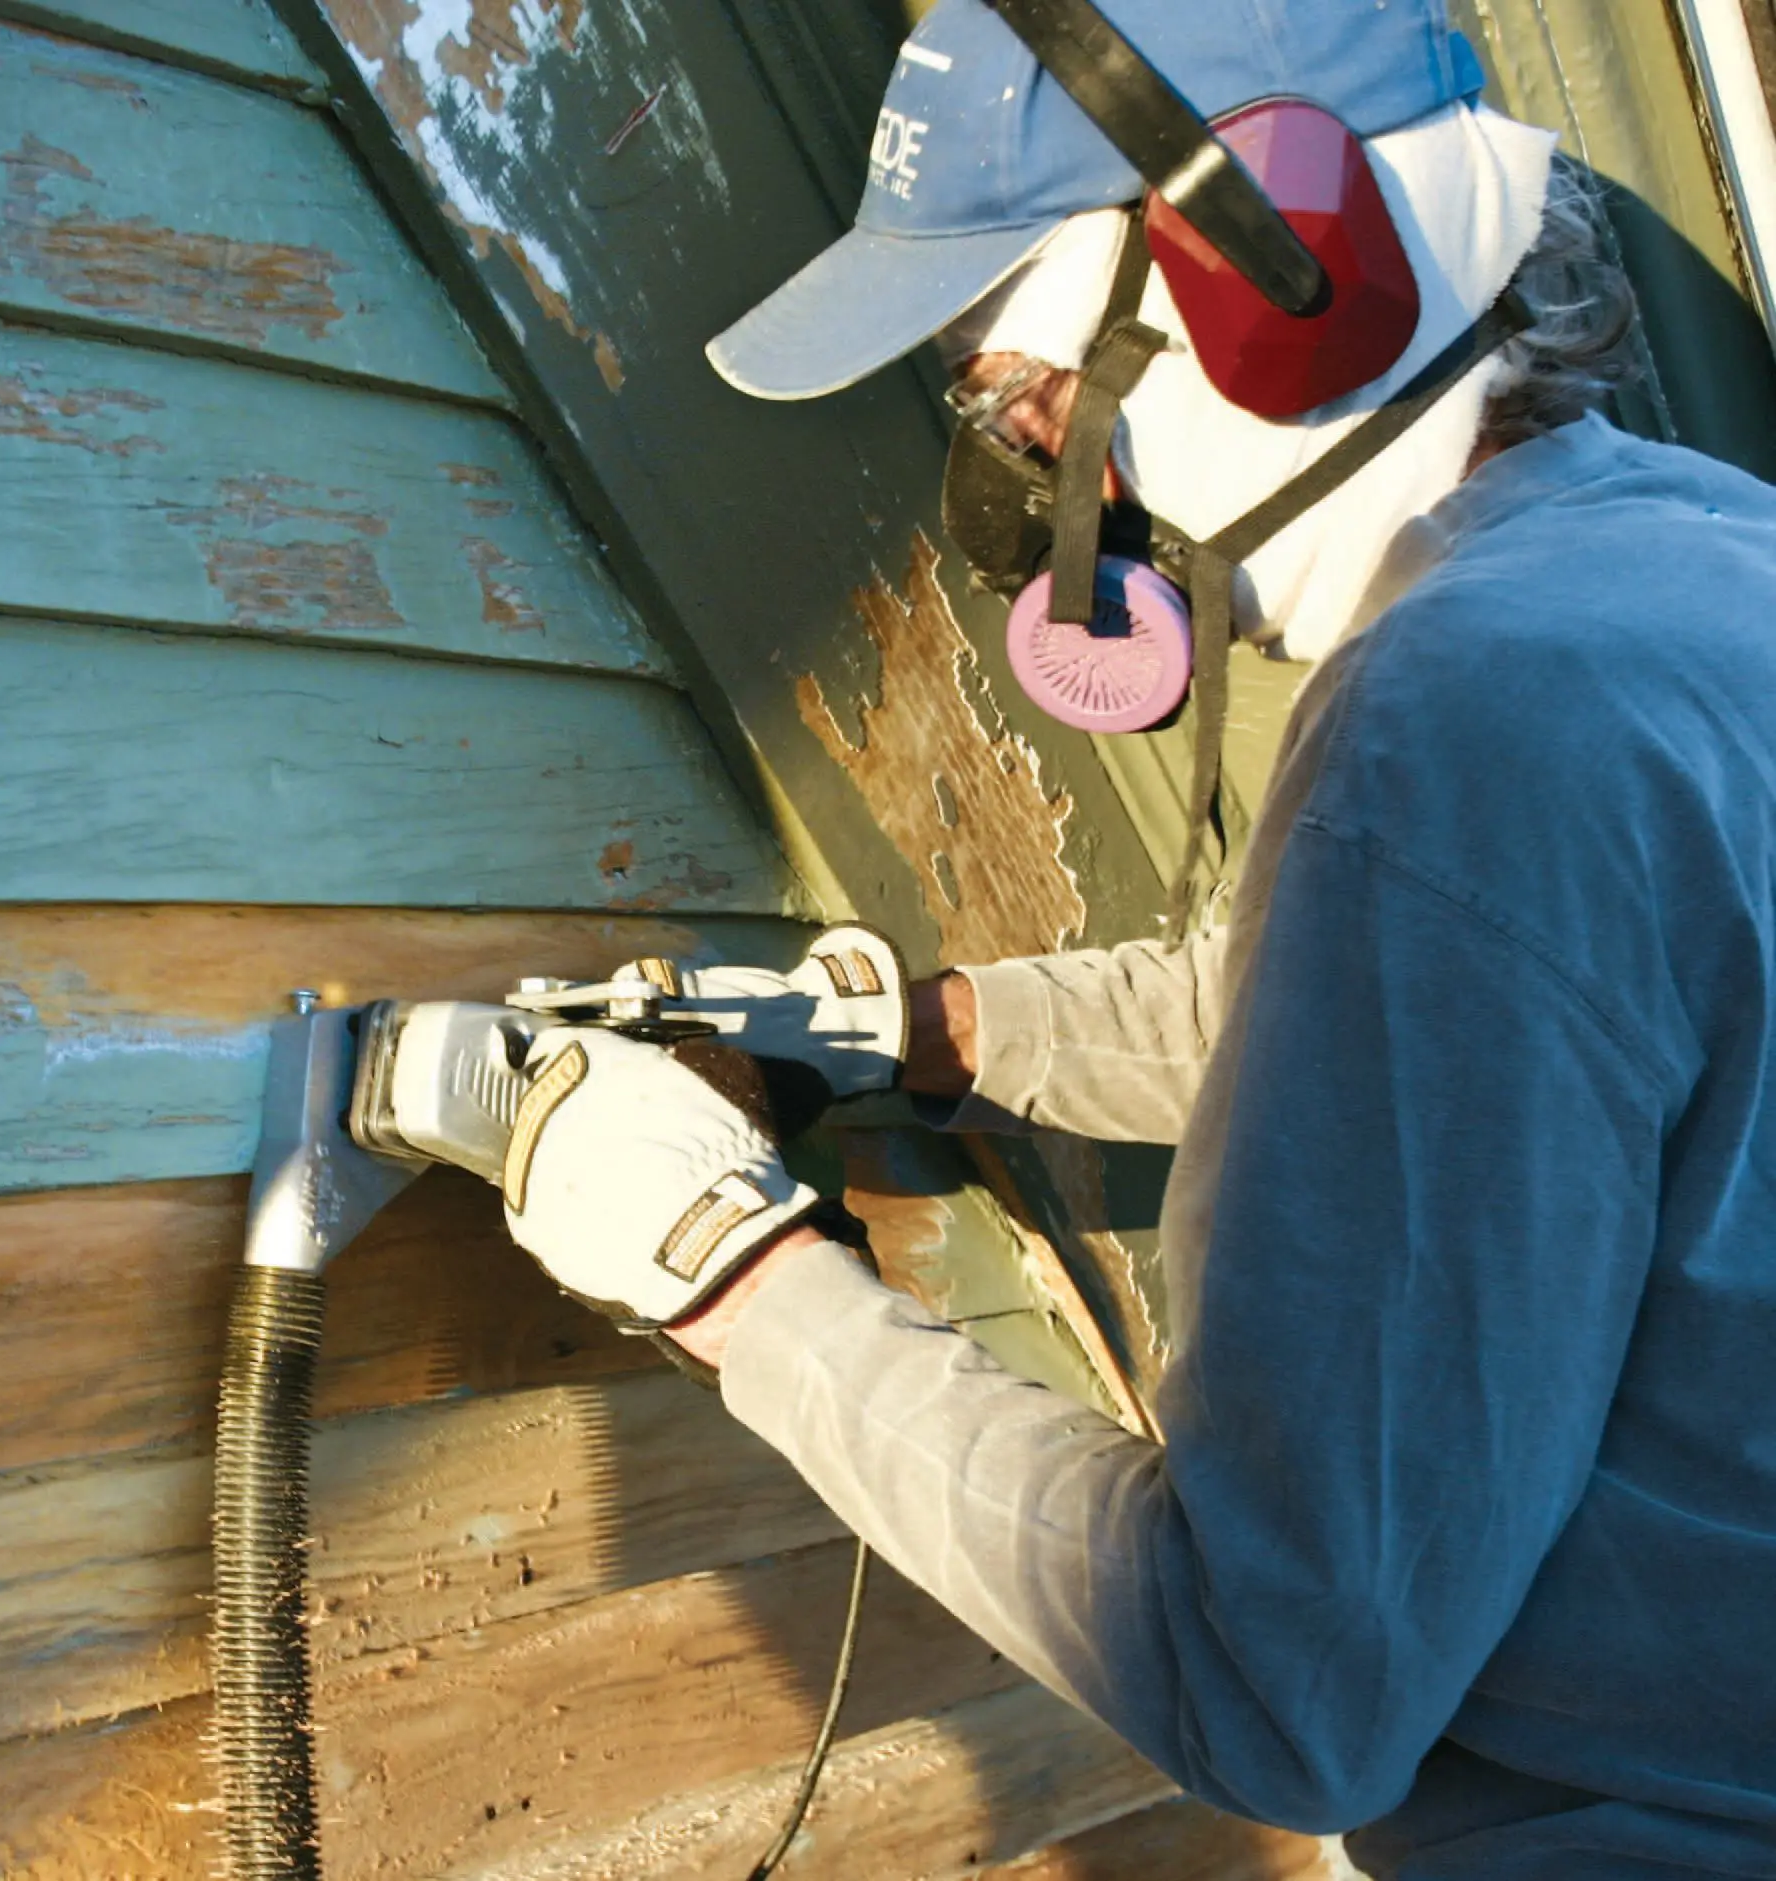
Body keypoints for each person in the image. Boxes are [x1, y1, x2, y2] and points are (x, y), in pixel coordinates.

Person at [470, 2, 1776, 1874]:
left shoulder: (1454, 728)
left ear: (1272, 282)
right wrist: (918, 1029)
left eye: (1011, 398)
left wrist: (724, 1273)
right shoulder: (1698, 563)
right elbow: (1393, 1019)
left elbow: (1276, 1686)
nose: (1016, 491)